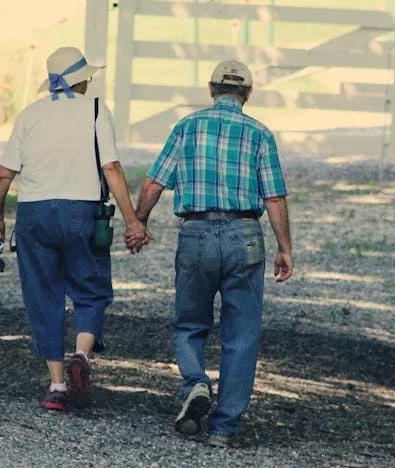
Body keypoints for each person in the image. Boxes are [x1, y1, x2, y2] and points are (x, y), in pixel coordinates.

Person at [131, 59, 293, 448]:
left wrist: (138, 223)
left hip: (196, 233)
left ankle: (195, 383)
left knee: (189, 322)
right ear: (248, 94)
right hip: (244, 235)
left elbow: (153, 184)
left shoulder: (186, 127)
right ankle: (224, 428)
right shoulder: (260, 133)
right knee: (242, 333)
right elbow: (274, 197)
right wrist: (285, 248)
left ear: (211, 89)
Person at [0, 46, 149, 411]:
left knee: (43, 295)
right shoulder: (96, 110)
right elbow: (111, 167)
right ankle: (82, 355)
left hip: (34, 214)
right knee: (90, 289)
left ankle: (58, 385)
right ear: (81, 80)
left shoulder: (30, 114)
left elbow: (5, 174)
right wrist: (132, 220)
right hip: (82, 209)